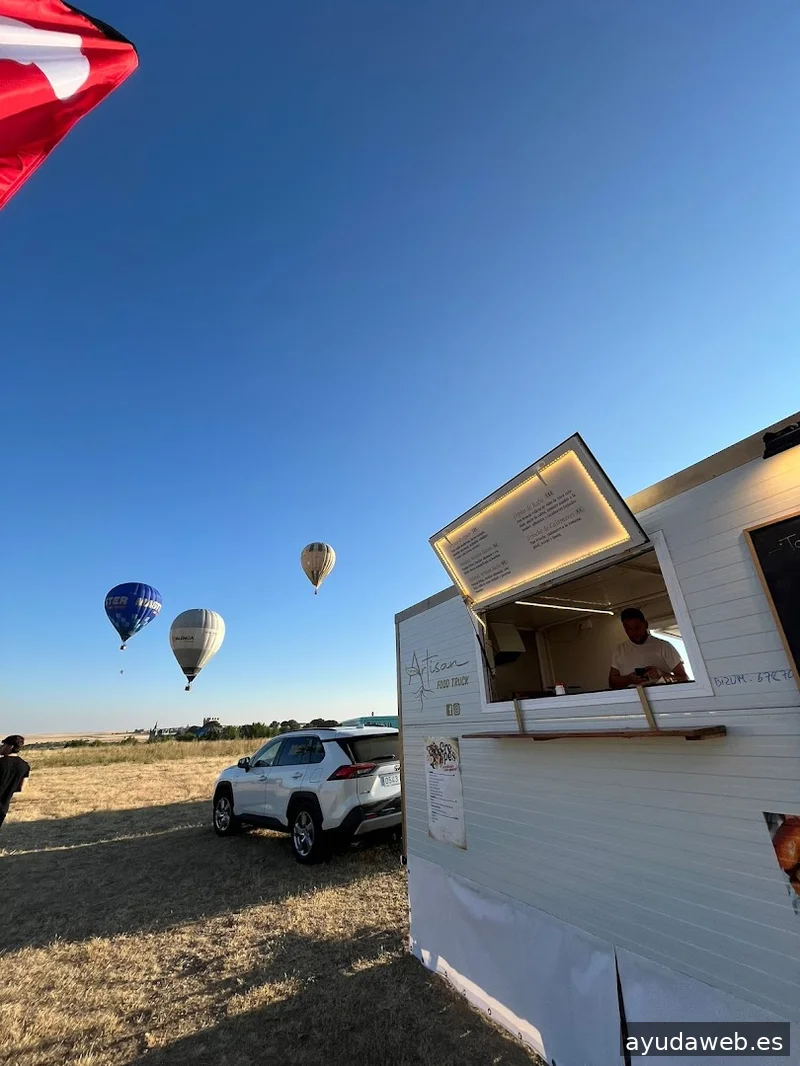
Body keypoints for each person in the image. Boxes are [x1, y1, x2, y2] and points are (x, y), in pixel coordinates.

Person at [609, 608, 689, 690]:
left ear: (646, 624)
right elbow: (612, 683)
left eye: (637, 628)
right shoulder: (619, 650)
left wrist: (661, 674)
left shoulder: (664, 646)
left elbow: (684, 678)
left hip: (662, 699)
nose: (634, 633)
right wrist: (629, 679)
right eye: (629, 629)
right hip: (632, 701)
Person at [0, 735, 30, 829]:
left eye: (4, 744)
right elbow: (21, 788)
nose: (1, 747)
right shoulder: (25, 766)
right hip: (2, 808)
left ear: (10, 747)